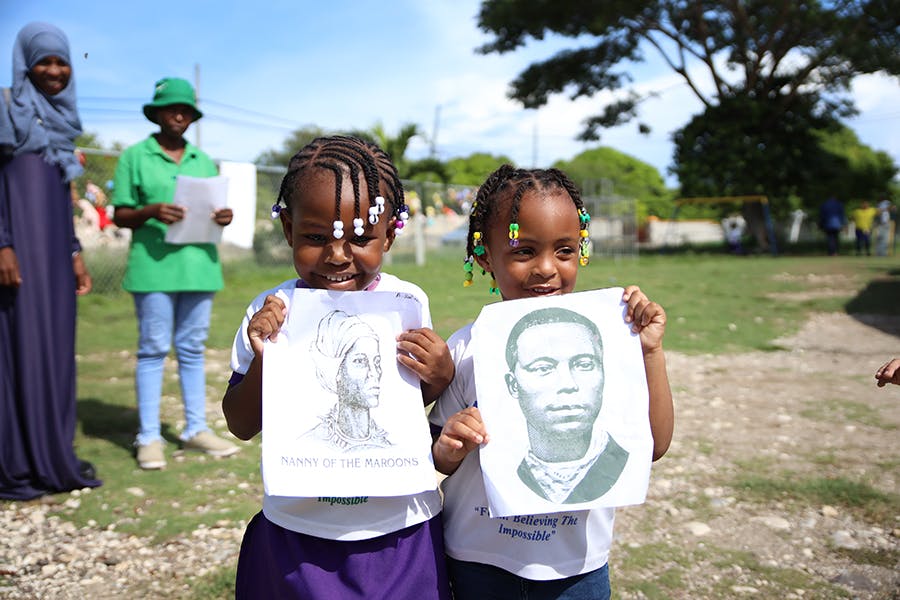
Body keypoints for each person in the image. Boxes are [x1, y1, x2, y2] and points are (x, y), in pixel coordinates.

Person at [222, 135, 454, 599]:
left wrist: (440, 376)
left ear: (390, 233)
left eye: (362, 237)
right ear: (288, 229)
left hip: (401, 529)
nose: (337, 255)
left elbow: (407, 404)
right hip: (299, 533)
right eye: (314, 237)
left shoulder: (406, 304)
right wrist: (267, 353)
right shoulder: (270, 311)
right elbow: (241, 424)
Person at [429, 165, 674, 599]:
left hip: (576, 568)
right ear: (485, 256)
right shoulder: (468, 346)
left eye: (564, 250)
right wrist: (450, 445)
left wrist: (649, 350)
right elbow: (437, 456)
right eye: (524, 251)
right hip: (477, 560)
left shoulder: (613, 338)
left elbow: (652, 446)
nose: (546, 268)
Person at [112, 77, 237, 470]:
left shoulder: (202, 160)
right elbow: (120, 214)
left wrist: (224, 217)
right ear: (158, 113)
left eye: (185, 110)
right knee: (152, 349)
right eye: (171, 109)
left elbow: (213, 210)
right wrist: (151, 211)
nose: (179, 115)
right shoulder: (135, 156)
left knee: (192, 350)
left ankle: (195, 429)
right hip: (153, 268)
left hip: (199, 267)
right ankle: (149, 436)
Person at [0, 22, 101, 499]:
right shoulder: (5, 109)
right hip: (16, 253)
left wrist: (76, 254)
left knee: (57, 352)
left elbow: (64, 199)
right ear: (26, 63)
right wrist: (2, 243)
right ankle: (21, 460)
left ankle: (53, 455)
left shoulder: (62, 120)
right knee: (22, 348)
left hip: (56, 257)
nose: (56, 71)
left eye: (62, 61)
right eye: (45, 61)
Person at [505, 307, 628, 504]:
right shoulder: (501, 471)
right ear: (513, 385)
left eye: (584, 364)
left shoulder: (624, 465)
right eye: (543, 368)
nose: (568, 384)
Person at [304, 309, 390, 451]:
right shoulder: (310, 445)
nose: (373, 373)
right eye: (360, 361)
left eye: (376, 362)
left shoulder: (390, 446)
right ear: (336, 371)